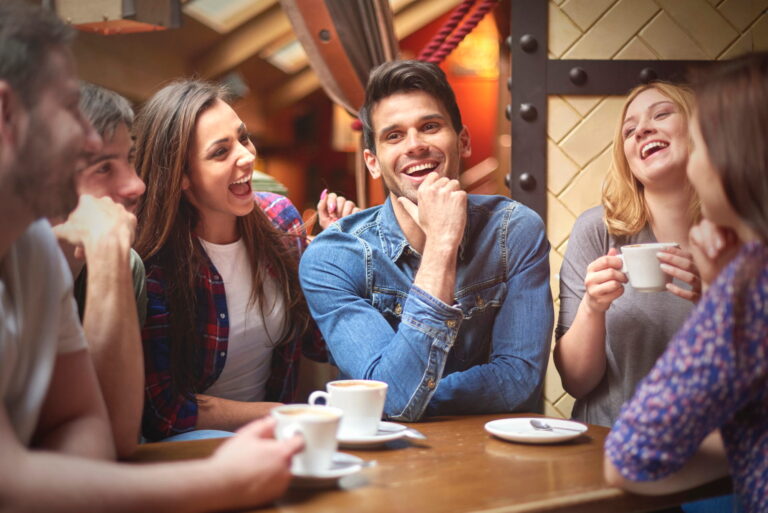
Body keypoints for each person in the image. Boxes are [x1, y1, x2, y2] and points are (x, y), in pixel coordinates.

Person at [0, 2, 301, 510]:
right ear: (7, 115)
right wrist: (223, 482)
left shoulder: (31, 254)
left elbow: (95, 435)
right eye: (70, 108)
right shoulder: (143, 256)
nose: (86, 135)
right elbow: (10, 478)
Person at [299, 60, 553, 421]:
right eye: (394, 136)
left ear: (462, 141)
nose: (415, 146)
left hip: (496, 451)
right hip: (384, 464)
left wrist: (411, 393)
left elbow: (518, 378)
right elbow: (393, 402)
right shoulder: (334, 257)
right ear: (373, 163)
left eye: (430, 127)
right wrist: (442, 244)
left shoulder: (515, 231)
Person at [604, 52, 768, 513]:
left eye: (698, 146)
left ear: (730, 160)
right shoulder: (597, 231)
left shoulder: (751, 286)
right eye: (630, 128)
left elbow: (629, 458)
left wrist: (723, 298)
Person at [134, 80, 329, 441]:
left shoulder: (280, 219)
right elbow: (166, 413)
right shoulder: (154, 265)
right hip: (189, 447)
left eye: (244, 138)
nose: (246, 156)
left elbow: (318, 341)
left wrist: (340, 254)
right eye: (220, 152)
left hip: (278, 439)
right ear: (181, 177)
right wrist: (287, 416)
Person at [554, 82, 702, 427]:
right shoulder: (597, 231)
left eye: (662, 114)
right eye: (629, 130)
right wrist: (592, 306)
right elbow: (576, 382)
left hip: (716, 453)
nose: (642, 131)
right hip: (610, 446)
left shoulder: (743, 234)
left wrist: (718, 304)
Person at [52, 83, 147, 457]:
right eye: (103, 167)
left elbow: (118, 437)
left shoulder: (127, 264)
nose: (136, 184)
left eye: (131, 159)